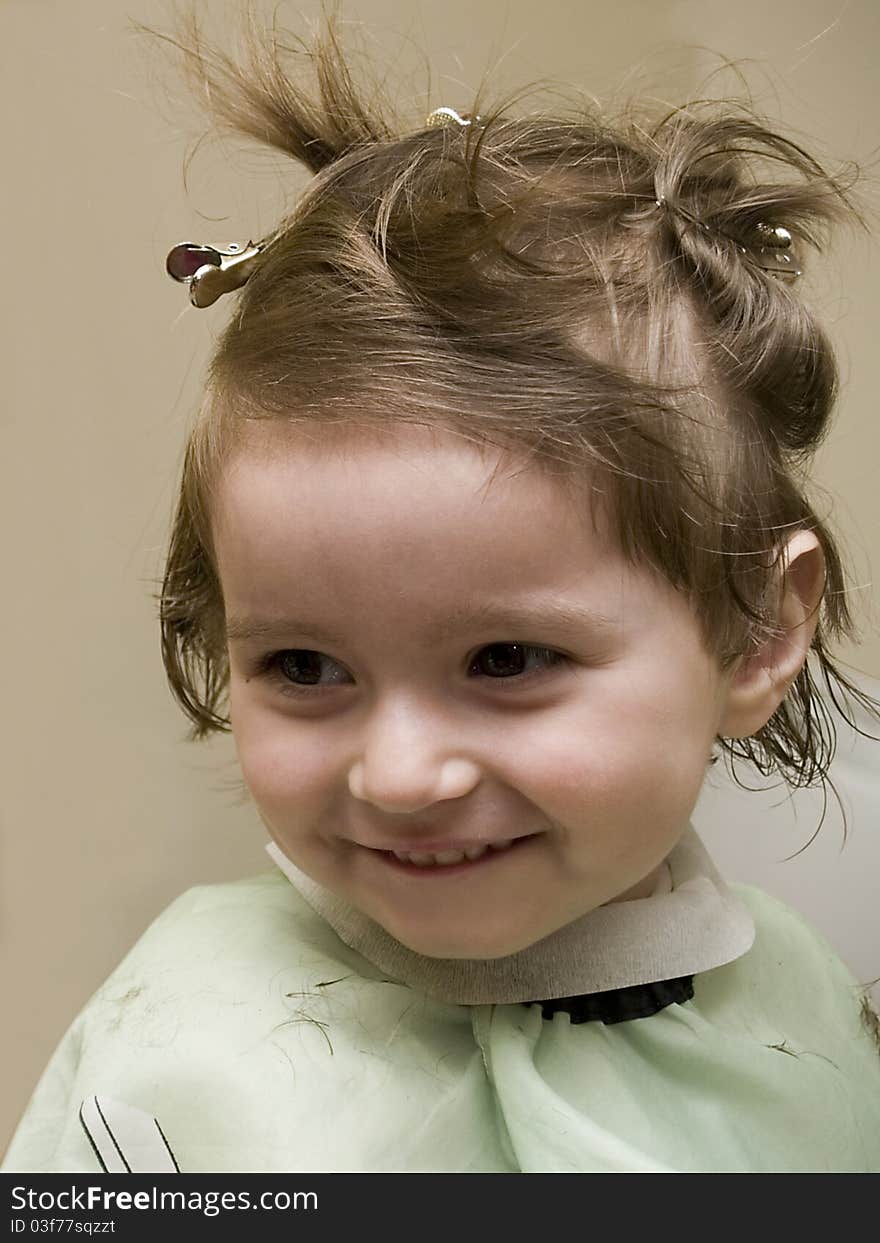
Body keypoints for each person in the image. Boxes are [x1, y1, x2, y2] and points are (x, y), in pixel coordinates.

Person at [4, 11, 880, 1174]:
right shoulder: (180, 1057)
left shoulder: (798, 1005)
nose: (401, 776)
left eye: (506, 660)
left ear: (757, 629)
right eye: (305, 667)